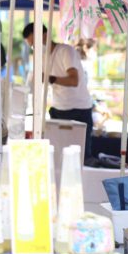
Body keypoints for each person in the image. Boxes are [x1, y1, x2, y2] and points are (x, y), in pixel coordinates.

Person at [24, 23, 94, 162]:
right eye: (32, 46)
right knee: (57, 155)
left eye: (35, 43)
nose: (35, 48)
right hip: (58, 108)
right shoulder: (43, 56)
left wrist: (50, 78)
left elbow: (74, 80)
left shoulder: (65, 51)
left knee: (81, 157)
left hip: (78, 109)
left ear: (45, 35)